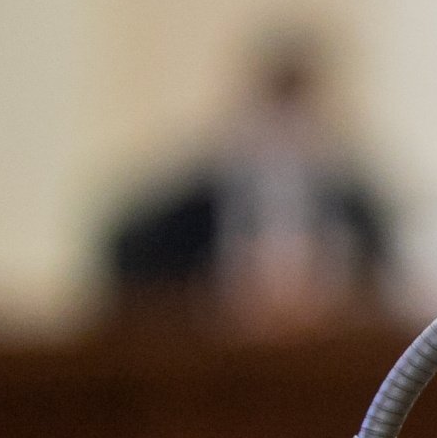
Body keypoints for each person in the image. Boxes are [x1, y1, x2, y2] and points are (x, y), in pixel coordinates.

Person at [105, 27, 397, 331]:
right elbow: (127, 257)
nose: (286, 123)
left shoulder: (354, 205)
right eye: (276, 100)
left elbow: (384, 282)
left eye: (298, 102)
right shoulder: (188, 212)